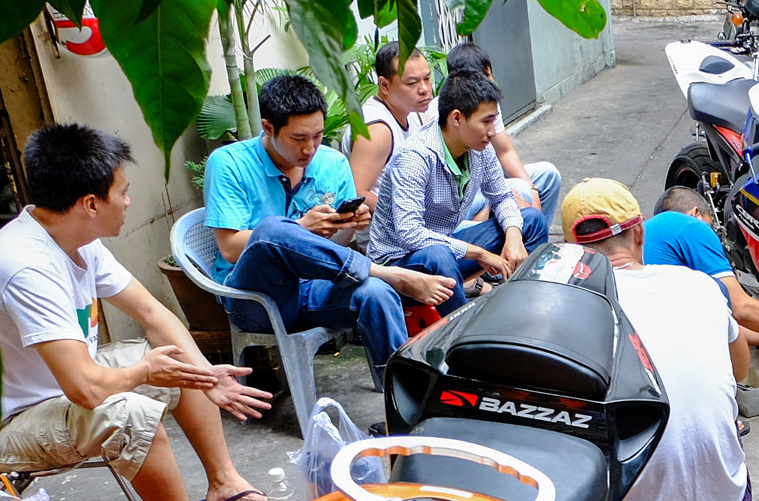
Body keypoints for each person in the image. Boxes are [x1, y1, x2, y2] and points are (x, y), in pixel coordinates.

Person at [0, 124, 277, 501]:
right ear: (90, 204)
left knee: (171, 357)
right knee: (129, 410)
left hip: (58, 387)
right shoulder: (25, 266)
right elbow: (86, 391)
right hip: (6, 425)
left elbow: (153, 315)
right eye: (121, 192)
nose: (128, 202)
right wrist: (144, 373)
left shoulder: (76, 239)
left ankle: (223, 483)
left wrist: (206, 375)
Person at [204, 74, 453, 373]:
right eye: (298, 139)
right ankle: (390, 274)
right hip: (256, 300)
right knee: (272, 229)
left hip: (314, 288)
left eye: (318, 136)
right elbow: (230, 248)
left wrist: (349, 224)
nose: (310, 149)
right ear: (269, 128)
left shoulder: (332, 163)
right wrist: (301, 227)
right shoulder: (228, 163)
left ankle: (398, 400)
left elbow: (334, 249)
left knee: (376, 292)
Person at [561, 178, 751, 501]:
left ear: (573, 253)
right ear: (639, 235)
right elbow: (739, 371)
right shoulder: (700, 285)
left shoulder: (573, 307)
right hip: (725, 498)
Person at [368, 73, 544, 315]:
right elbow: (411, 234)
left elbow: (502, 197)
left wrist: (514, 238)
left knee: (532, 222)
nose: (492, 132)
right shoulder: (415, 158)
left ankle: (521, 311)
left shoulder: (479, 148)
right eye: (486, 122)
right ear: (457, 118)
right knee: (438, 256)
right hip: (399, 265)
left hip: (446, 253)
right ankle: (464, 336)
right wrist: (480, 253)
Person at [649, 186, 759, 359]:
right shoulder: (691, 226)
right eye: (711, 226)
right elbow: (740, 308)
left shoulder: (649, 238)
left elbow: (716, 323)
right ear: (696, 213)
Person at [439, 41, 562, 231]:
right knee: (515, 193)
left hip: (485, 181)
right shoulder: (445, 115)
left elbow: (505, 151)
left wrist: (532, 190)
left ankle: (535, 242)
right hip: (456, 198)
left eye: (488, 74)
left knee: (546, 175)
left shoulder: (487, 104)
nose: (489, 83)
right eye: (481, 78)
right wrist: (503, 195)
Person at [346, 40, 435, 202]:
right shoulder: (377, 130)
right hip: (391, 224)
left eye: (427, 78)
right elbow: (357, 192)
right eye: (412, 82)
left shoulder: (415, 113)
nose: (424, 89)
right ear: (385, 85)